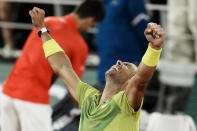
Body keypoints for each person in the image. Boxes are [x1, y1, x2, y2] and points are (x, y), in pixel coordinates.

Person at [30, 6, 165, 131]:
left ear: (129, 83)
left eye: (126, 66)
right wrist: (42, 29)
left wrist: (154, 48)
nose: (119, 62)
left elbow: (141, 81)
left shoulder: (125, 103)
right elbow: (62, 66)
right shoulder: (88, 97)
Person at [1, 1, 105, 131]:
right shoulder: (79, 45)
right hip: (33, 99)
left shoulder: (46, 23)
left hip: (7, 93)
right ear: (90, 20)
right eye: (92, 25)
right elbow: (75, 88)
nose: (88, 28)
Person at [95, 0, 149, 90]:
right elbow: (144, 30)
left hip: (106, 65)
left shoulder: (102, 4)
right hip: (128, 62)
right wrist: (151, 50)